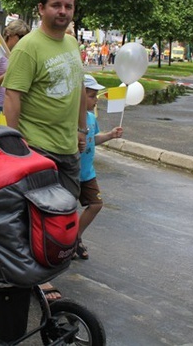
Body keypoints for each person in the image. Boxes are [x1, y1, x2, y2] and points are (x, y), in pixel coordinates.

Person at [3, 0, 88, 302]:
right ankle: (36, 278)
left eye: (68, 6)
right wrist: (14, 143)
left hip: (68, 148)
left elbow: (78, 88)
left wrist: (82, 130)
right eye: (56, 5)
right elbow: (13, 96)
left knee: (63, 214)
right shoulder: (29, 47)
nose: (63, 11)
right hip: (36, 147)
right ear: (41, 9)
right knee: (38, 217)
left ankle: (44, 269)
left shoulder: (71, 43)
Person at [76, 74, 123, 260]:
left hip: (87, 173)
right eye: (92, 96)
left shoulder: (90, 117)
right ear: (79, 96)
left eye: (96, 96)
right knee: (67, 210)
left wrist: (110, 135)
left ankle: (75, 238)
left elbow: (93, 139)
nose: (96, 100)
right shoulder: (68, 117)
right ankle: (64, 243)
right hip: (71, 173)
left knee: (96, 204)